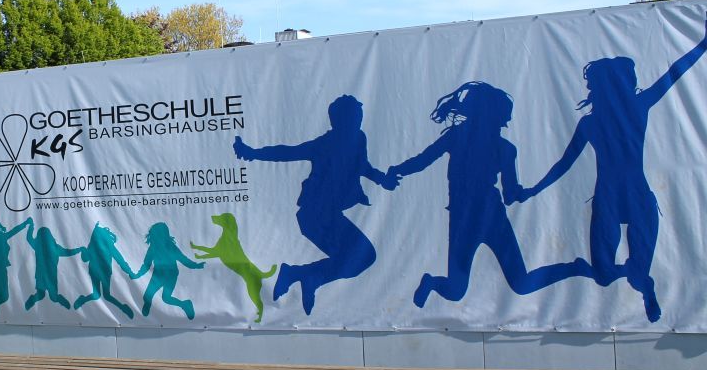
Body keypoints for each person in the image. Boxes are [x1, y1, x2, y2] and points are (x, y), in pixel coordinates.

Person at [519, 20, 707, 322]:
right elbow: (564, 164)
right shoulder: (606, 117)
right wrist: (533, 190)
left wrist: (703, 44)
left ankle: (643, 282)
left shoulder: (630, 109)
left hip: (631, 197)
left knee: (634, 274)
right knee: (604, 276)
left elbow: (674, 73)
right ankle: (620, 273)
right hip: (613, 197)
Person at [389, 81, 580, 307]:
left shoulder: (464, 138)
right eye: (505, 116)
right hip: (482, 219)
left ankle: (574, 268)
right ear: (495, 116)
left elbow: (423, 160)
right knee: (514, 284)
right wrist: (523, 193)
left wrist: (397, 171)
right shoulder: (496, 146)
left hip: (474, 218)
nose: (507, 121)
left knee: (460, 289)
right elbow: (510, 195)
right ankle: (574, 268)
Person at [234, 95, 395, 315]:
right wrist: (251, 153)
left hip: (330, 214)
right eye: (353, 117)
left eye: (359, 117)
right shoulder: (326, 144)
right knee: (360, 257)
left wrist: (381, 179)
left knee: (360, 257)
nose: (357, 121)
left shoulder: (359, 139)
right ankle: (302, 276)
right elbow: (287, 152)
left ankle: (302, 276)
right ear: (338, 120)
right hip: (314, 216)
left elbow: (362, 166)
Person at [132, 223, 203, 320]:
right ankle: (148, 306)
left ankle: (185, 304)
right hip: (158, 275)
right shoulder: (153, 248)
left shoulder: (170, 247)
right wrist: (138, 275)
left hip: (171, 275)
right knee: (147, 296)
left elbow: (182, 258)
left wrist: (195, 265)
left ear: (164, 235)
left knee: (166, 298)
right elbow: (146, 264)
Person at [74, 223, 137, 319]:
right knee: (100, 295)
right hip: (96, 272)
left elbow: (119, 259)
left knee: (103, 295)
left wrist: (130, 272)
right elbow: (85, 259)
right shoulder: (94, 246)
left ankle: (123, 308)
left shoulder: (105, 245)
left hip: (104, 272)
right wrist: (83, 250)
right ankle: (123, 308)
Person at [24, 223, 84, 310]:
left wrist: (31, 227)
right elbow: (68, 252)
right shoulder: (54, 247)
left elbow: (29, 238)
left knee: (41, 294)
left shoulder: (38, 246)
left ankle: (32, 301)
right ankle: (64, 303)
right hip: (49, 276)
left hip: (42, 275)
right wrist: (79, 250)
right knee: (53, 297)